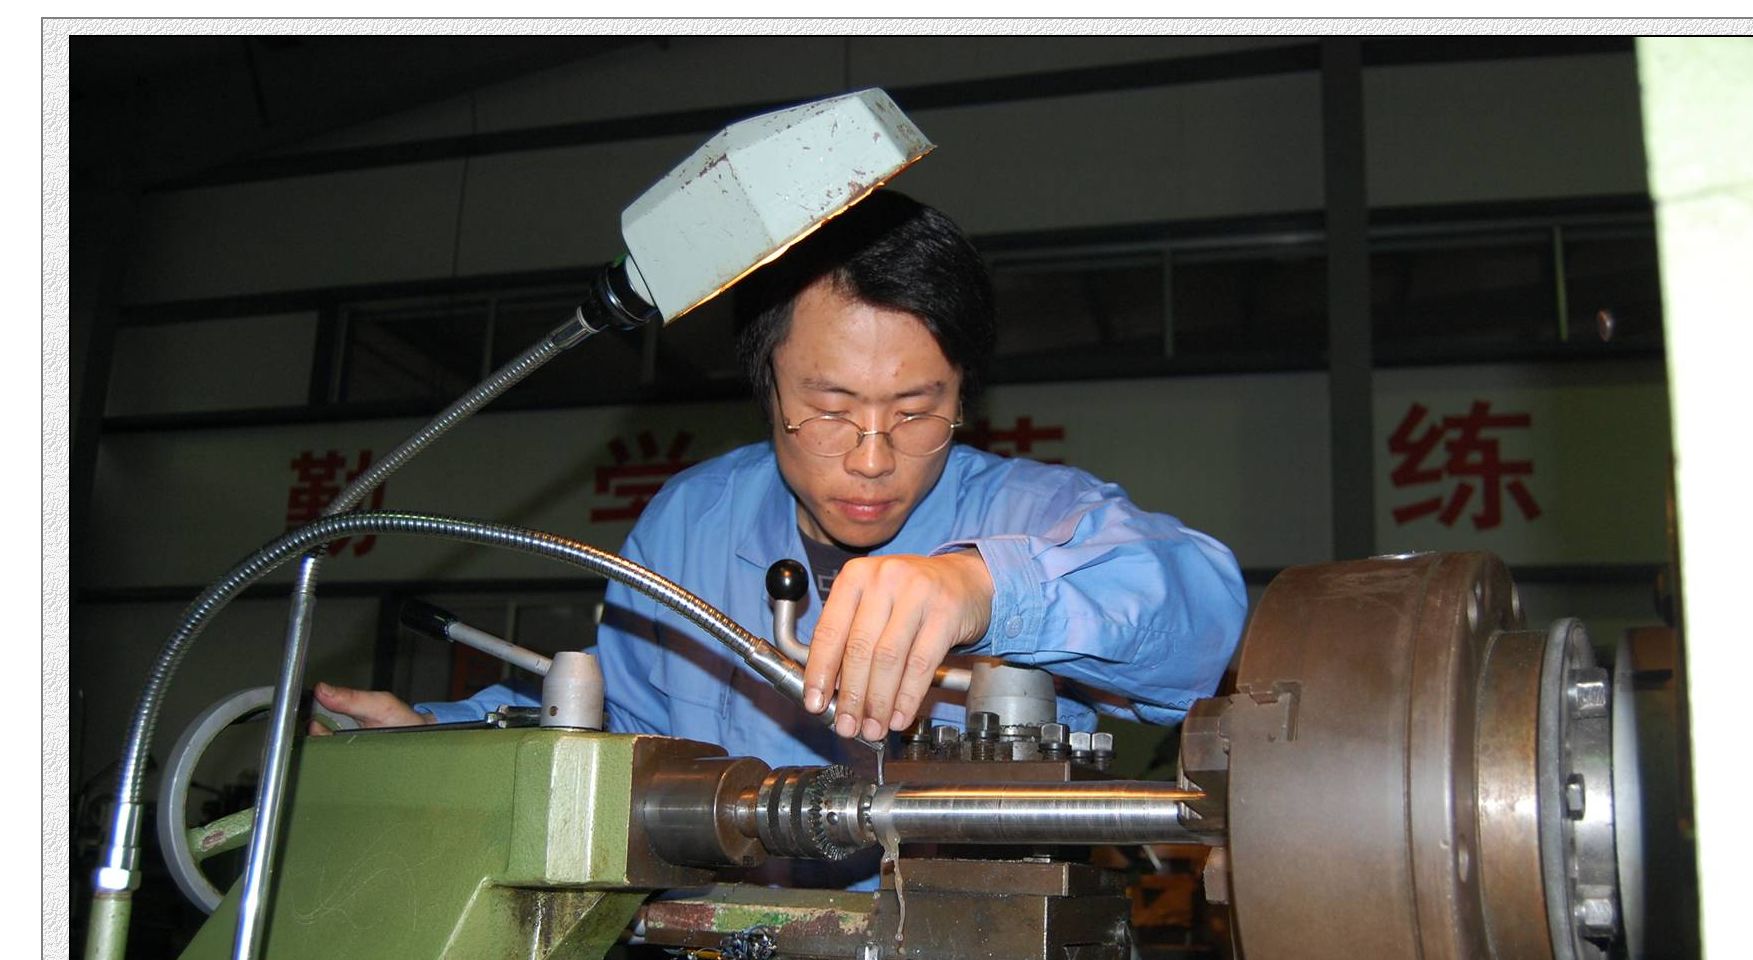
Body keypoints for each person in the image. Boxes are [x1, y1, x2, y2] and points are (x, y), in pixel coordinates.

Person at [316, 191, 1248, 768]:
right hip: (718, 945)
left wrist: (984, 588)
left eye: (917, 409)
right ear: (764, 384)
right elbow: (626, 726)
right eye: (829, 408)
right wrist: (444, 740)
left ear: (964, 390)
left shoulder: (1031, 514)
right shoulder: (691, 524)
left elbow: (1204, 625)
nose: (873, 458)